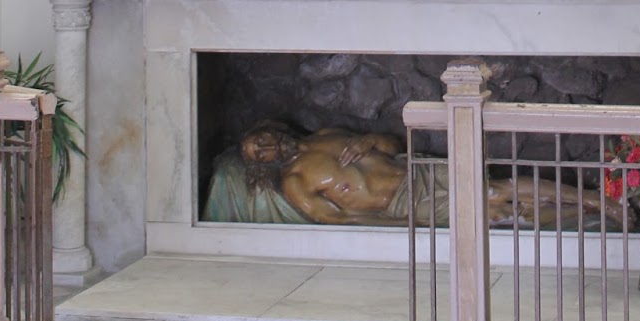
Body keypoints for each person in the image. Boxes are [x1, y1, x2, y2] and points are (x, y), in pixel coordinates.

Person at [202, 121, 617, 229]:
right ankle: (587, 216)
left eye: (264, 139)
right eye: (262, 153)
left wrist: (369, 140)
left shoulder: (323, 135)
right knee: (495, 209)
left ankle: (594, 200)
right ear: (264, 164)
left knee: (495, 188)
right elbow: (337, 218)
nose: (271, 146)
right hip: (404, 204)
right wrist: (399, 223)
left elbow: (391, 144)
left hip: (412, 170)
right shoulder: (295, 181)